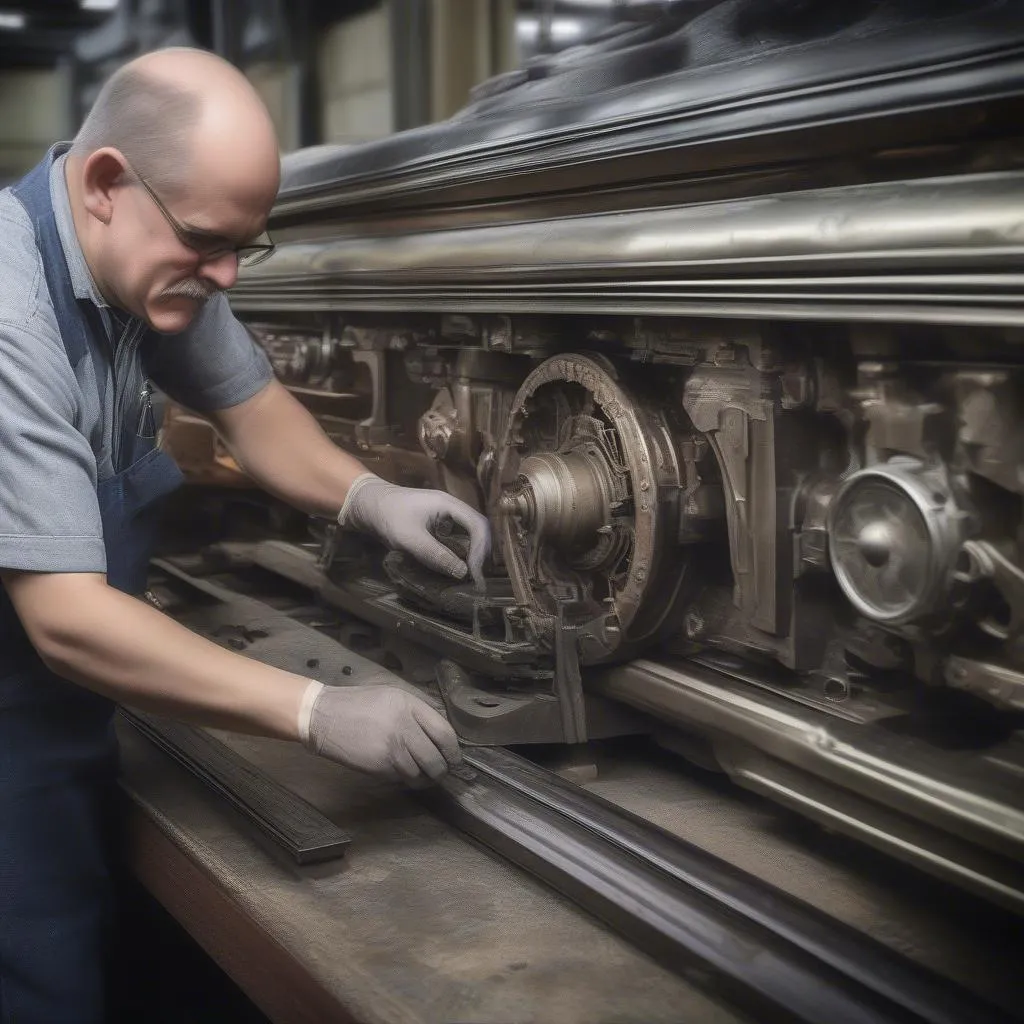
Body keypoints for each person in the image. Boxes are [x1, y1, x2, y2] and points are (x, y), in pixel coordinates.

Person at [0, 46, 490, 1021]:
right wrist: (316, 711)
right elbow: (66, 619)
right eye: (207, 241)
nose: (224, 275)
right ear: (105, 184)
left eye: (243, 248)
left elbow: (252, 408)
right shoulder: (12, 309)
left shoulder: (153, 261)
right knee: (43, 976)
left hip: (62, 709)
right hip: (11, 716)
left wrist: (368, 497)